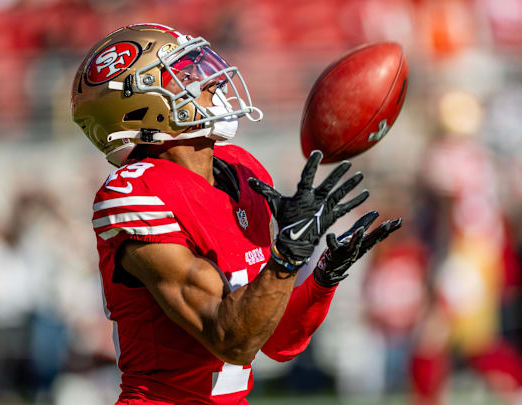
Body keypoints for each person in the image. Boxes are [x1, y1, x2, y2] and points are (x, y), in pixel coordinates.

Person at [71, 23, 401, 405]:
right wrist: (285, 259)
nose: (209, 80)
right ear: (140, 107)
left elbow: (273, 340)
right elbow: (230, 337)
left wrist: (322, 276)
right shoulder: (135, 192)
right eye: (185, 74)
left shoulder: (242, 170)